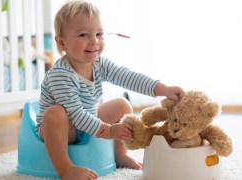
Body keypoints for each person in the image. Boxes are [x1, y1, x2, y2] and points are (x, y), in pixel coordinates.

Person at [35, 0, 184, 179]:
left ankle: (119, 153)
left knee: (122, 104)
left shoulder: (99, 64)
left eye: (99, 34)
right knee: (56, 113)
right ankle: (65, 168)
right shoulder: (60, 74)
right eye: (83, 35)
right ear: (62, 42)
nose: (94, 41)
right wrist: (108, 130)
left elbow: (128, 77)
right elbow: (75, 114)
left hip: (90, 121)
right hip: (65, 130)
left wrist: (163, 89)